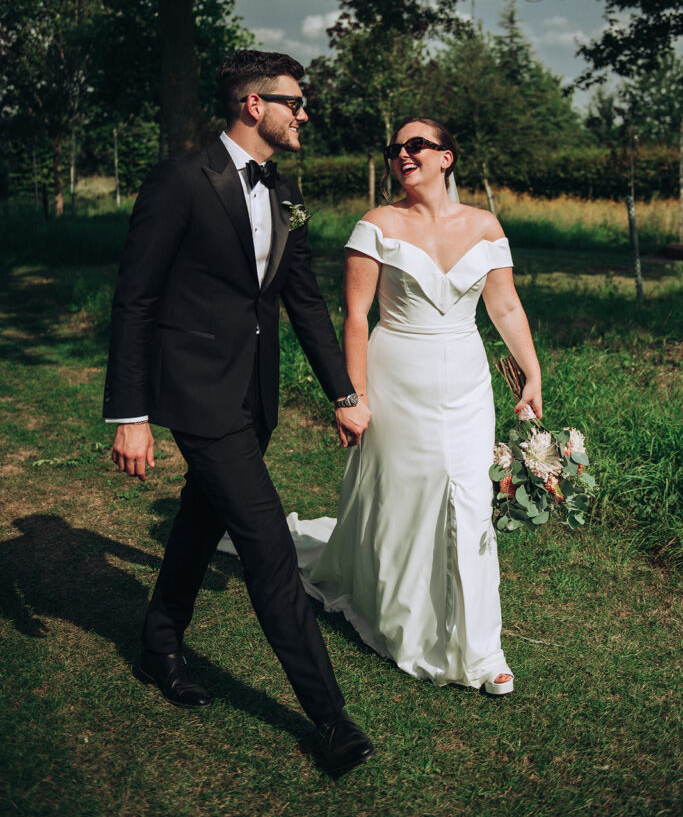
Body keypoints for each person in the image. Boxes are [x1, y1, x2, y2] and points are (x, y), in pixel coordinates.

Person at [103, 50, 375, 775]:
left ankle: (160, 640)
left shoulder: (285, 193)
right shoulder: (179, 181)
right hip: (197, 393)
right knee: (267, 547)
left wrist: (343, 394)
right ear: (254, 105)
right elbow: (135, 300)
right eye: (295, 100)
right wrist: (130, 414)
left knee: (200, 519)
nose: (304, 113)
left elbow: (306, 306)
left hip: (253, 397)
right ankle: (331, 719)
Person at [234, 117, 542, 694]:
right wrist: (353, 397)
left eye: (417, 145)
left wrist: (531, 371)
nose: (404, 154)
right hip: (399, 373)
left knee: (471, 499)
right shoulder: (377, 225)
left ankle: (482, 650)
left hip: (468, 379)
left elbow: (505, 307)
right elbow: (355, 317)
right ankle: (403, 620)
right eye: (396, 148)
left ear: (447, 157)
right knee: (410, 494)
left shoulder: (484, 225)